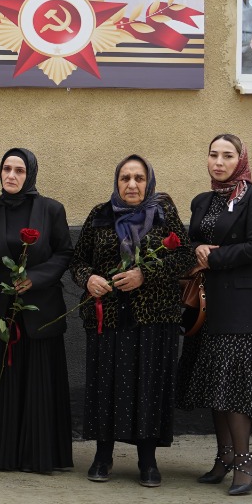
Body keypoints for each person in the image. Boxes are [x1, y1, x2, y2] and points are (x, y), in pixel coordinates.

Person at [71, 155, 192, 487]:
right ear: (117, 182)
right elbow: (78, 260)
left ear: (149, 181)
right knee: (106, 385)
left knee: (148, 385)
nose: (132, 184)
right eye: (125, 178)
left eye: (139, 178)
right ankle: (103, 456)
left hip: (153, 319)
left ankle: (148, 461)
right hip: (107, 318)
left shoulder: (164, 214)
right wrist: (88, 279)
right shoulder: (101, 214)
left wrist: (145, 274)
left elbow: (184, 256)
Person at [179, 134, 252, 495]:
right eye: (213, 155)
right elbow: (193, 242)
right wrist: (198, 249)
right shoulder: (202, 200)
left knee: (234, 389)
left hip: (241, 308)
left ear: (241, 160)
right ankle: (223, 458)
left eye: (228, 156)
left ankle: (245, 462)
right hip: (208, 307)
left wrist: (215, 257)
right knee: (215, 387)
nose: (219, 162)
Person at [0, 148, 73, 474]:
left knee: (38, 383)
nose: (11, 176)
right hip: (0, 310)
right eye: (6, 168)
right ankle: (2, 454)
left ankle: (38, 455)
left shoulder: (51, 210)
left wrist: (33, 279)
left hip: (40, 312)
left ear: (30, 173)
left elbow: (64, 254)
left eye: (19, 170)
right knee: (3, 381)